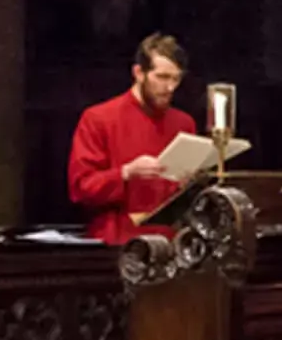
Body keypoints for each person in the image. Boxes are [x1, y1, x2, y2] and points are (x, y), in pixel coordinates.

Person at [68, 34, 197, 245]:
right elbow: (81, 189)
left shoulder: (183, 123)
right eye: (162, 77)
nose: (170, 87)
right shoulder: (98, 118)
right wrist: (126, 173)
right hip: (119, 242)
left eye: (176, 79)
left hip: (172, 243)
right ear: (138, 73)